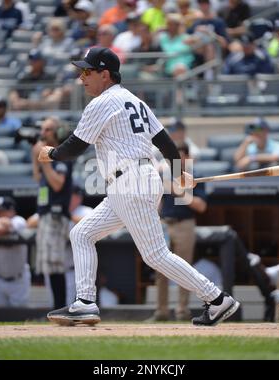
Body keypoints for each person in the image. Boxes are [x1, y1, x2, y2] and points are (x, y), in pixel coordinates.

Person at [38, 46, 240, 326]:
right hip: (131, 182)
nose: (81, 77)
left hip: (130, 182)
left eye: (87, 71)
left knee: (156, 255)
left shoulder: (102, 102)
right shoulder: (135, 101)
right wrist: (180, 174)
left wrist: (51, 154)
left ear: (105, 74)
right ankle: (85, 302)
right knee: (82, 233)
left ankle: (217, 299)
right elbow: (166, 143)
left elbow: (75, 147)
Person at [150, 143, 207, 321]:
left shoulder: (194, 177)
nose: (177, 160)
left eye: (180, 157)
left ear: (187, 158)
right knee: (160, 268)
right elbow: (159, 203)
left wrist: (179, 191)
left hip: (184, 224)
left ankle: (182, 310)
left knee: (185, 269)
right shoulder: (165, 175)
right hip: (165, 224)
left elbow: (201, 206)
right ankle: (161, 311)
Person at [32, 117, 73, 309]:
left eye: (48, 129)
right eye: (42, 129)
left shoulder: (61, 154)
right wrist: (36, 158)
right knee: (47, 265)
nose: (43, 132)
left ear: (58, 132)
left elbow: (57, 185)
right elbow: (38, 178)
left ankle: (60, 307)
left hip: (56, 216)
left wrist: (45, 161)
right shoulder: (47, 155)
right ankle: (56, 307)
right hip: (45, 214)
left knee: (55, 264)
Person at [0, 196, 30, 307]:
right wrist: (1, 220)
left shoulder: (19, 220)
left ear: (12, 211)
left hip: (18, 280)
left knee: (20, 318)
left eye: (1, 210)